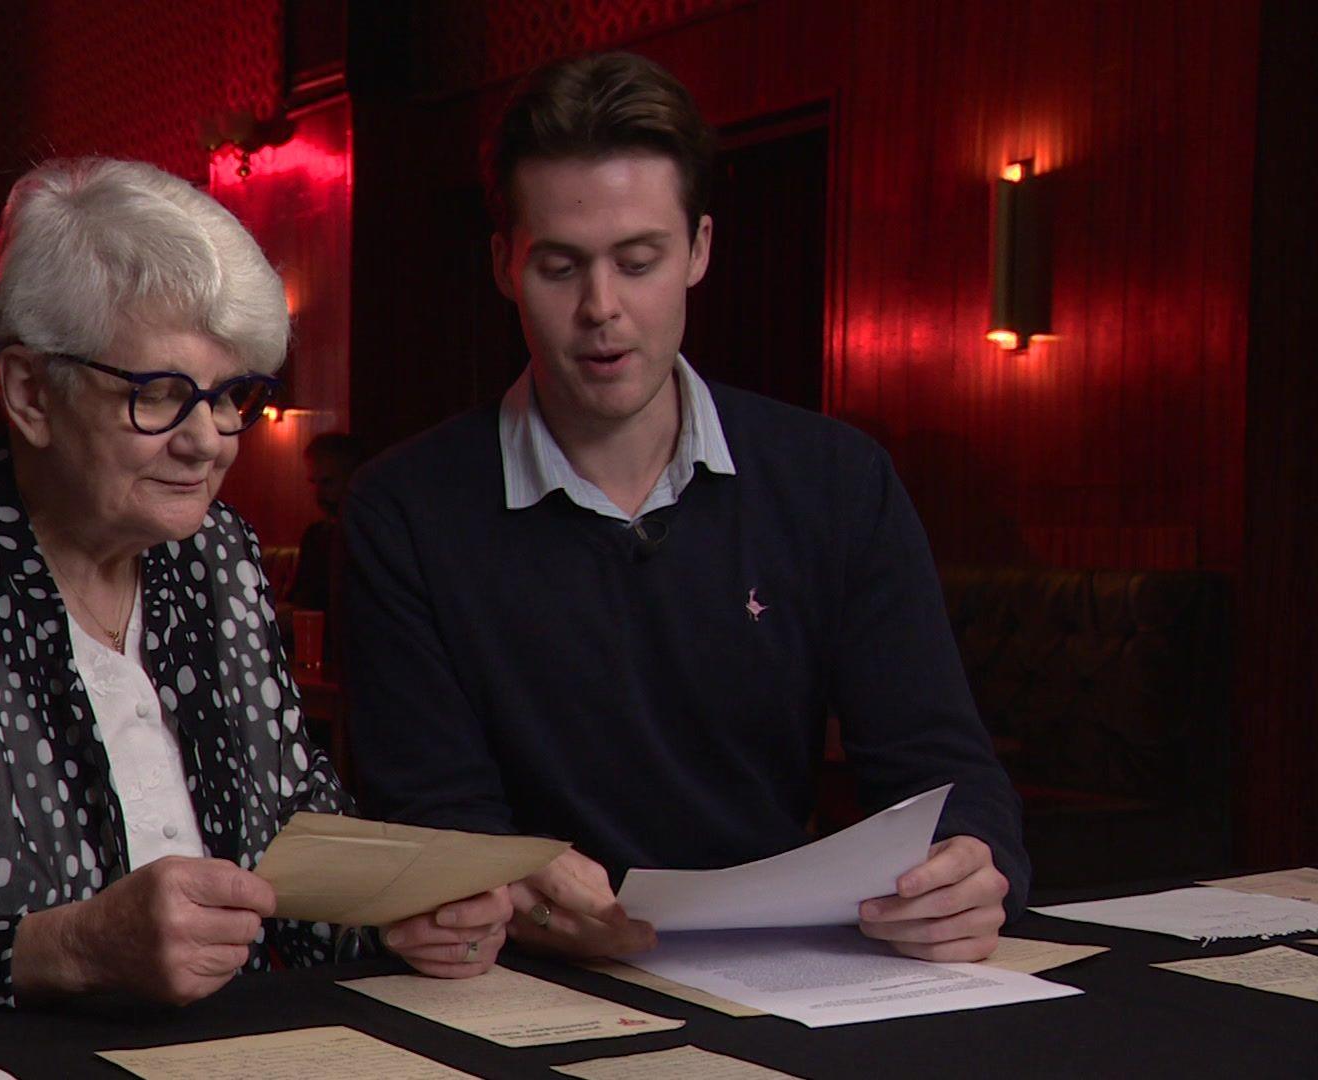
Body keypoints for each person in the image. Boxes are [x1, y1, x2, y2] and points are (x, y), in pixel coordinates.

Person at [0, 158, 509, 1025]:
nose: (209, 442)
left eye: (232, 397)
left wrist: (392, 913)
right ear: (30, 391)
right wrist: (80, 946)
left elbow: (291, 860)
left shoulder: (216, 553)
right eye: (159, 394)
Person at [342, 52, 1025, 967]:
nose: (602, 308)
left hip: (791, 975)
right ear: (504, 263)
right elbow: (435, 821)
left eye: (638, 261)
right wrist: (485, 891)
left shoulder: (835, 481)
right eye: (560, 266)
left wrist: (974, 865)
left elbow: (944, 773)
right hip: (530, 984)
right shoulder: (404, 511)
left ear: (699, 249)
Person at [285, 432, 362, 614]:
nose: (318, 494)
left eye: (328, 482)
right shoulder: (316, 536)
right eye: (314, 482)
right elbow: (301, 600)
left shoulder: (365, 537)